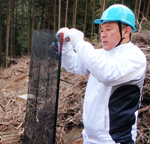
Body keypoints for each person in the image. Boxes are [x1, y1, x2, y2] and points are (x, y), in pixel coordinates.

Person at [57, 4, 146, 144]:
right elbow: (73, 65)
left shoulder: (135, 58)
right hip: (89, 138)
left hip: (114, 140)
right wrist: (66, 45)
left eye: (109, 29)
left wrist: (80, 43)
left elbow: (106, 74)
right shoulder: (101, 55)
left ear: (126, 31)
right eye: (102, 29)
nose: (103, 34)